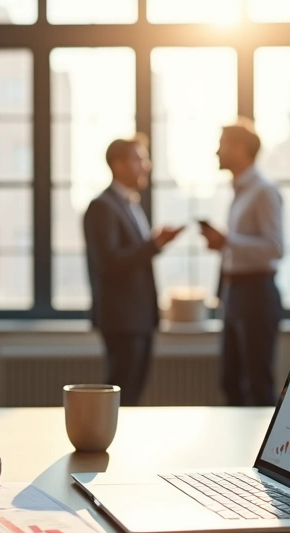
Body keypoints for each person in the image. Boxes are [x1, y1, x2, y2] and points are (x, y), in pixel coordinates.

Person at [83, 135, 183, 406]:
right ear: (118, 165)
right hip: (122, 320)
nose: (147, 165)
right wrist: (154, 244)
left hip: (138, 319)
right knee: (123, 395)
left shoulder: (130, 204)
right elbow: (110, 262)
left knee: (133, 395)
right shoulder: (102, 207)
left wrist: (153, 244)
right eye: (140, 159)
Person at [200, 119, 285, 406]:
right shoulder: (240, 191)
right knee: (230, 381)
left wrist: (228, 242)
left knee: (257, 384)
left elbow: (275, 248)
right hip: (235, 294)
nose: (216, 152)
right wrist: (223, 247)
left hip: (256, 295)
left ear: (240, 148)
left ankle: (266, 450)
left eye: (222, 145)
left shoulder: (263, 191)